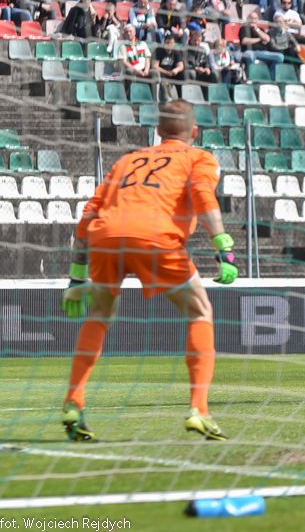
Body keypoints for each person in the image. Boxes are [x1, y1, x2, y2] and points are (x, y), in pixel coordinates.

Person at [58, 100, 237, 442]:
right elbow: (202, 195)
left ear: (157, 131)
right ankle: (199, 410)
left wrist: (76, 277)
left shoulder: (127, 160)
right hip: (155, 237)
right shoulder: (198, 157)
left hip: (106, 235)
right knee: (200, 311)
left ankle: (73, 402)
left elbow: (90, 211)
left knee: (100, 314)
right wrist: (223, 247)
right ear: (194, 131)